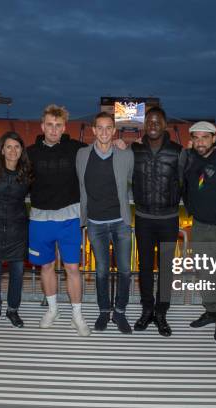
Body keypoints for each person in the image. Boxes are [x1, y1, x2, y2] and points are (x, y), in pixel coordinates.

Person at [26, 104, 91, 336]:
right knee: (47, 266)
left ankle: (77, 314)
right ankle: (53, 310)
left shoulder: (77, 149)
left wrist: (120, 144)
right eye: (50, 125)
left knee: (72, 267)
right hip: (40, 217)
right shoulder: (30, 152)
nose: (54, 130)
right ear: (43, 126)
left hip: (69, 217)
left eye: (58, 125)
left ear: (64, 127)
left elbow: (102, 152)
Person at [76, 112, 134, 334]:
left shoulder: (125, 155)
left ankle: (119, 312)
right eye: (99, 127)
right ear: (93, 130)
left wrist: (127, 146)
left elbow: (129, 179)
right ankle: (103, 311)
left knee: (126, 271)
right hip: (95, 223)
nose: (104, 132)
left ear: (114, 131)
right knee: (100, 271)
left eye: (108, 127)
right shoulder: (82, 155)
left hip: (120, 222)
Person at [131, 106, 183, 337]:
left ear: (164, 125)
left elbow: (191, 181)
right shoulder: (134, 150)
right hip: (143, 218)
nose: (152, 126)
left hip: (169, 219)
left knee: (166, 269)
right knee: (143, 268)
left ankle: (161, 313)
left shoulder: (178, 152)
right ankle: (147, 309)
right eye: (149, 122)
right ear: (144, 125)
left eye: (157, 122)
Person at [182, 121, 216, 342]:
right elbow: (187, 187)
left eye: (205, 137)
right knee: (203, 273)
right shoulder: (190, 158)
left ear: (213, 137)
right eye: (196, 138)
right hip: (199, 225)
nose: (200, 142)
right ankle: (210, 310)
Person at [0, 132, 31, 329]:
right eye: (9, 147)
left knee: (17, 274)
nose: (13, 151)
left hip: (17, 229)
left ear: (22, 151)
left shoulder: (27, 173)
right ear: (1, 150)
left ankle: (13, 310)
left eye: (17, 147)